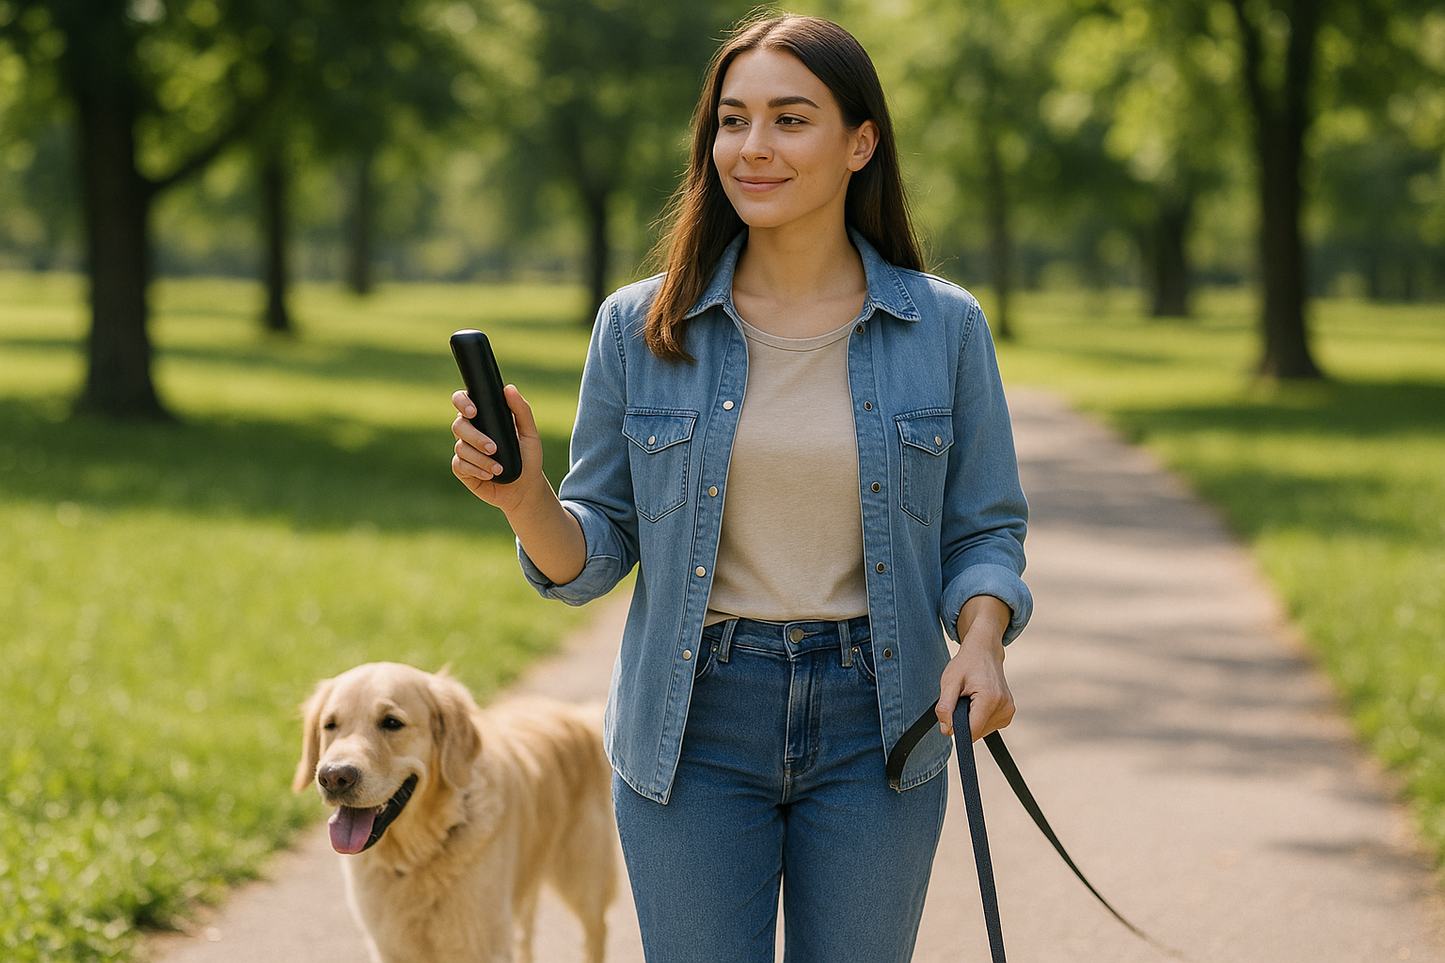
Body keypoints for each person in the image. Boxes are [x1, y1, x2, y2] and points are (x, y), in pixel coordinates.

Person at [451, 13, 1031, 962]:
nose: (752, 147)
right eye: (732, 119)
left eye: (790, 119)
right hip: (693, 723)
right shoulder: (640, 324)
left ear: (860, 142)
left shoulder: (944, 328)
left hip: (880, 718)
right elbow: (592, 552)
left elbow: (983, 531)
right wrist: (524, 499)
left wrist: (980, 643)